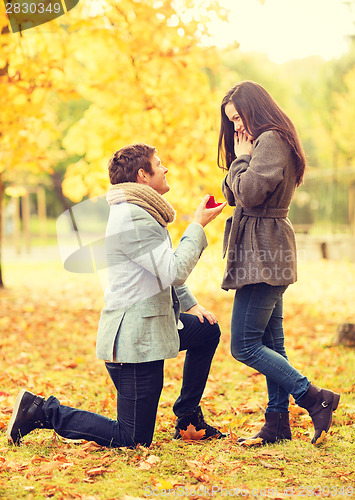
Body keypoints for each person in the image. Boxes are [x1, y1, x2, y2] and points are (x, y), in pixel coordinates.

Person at [7, 143, 227, 448]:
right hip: (134, 344)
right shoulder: (134, 218)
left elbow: (156, 269)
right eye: (159, 164)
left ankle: (188, 418)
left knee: (206, 330)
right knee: (133, 438)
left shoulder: (140, 212)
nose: (165, 169)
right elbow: (172, 271)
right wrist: (197, 225)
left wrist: (192, 304)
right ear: (143, 175)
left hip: (151, 327)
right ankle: (42, 411)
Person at [218, 81, 340, 446]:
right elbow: (232, 194)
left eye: (239, 117)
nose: (237, 126)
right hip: (263, 248)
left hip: (264, 250)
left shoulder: (270, 140)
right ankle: (277, 423)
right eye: (231, 120)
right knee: (273, 342)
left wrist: (242, 159)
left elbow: (250, 193)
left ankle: (313, 397)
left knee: (244, 344)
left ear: (255, 108)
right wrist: (240, 158)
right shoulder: (260, 142)